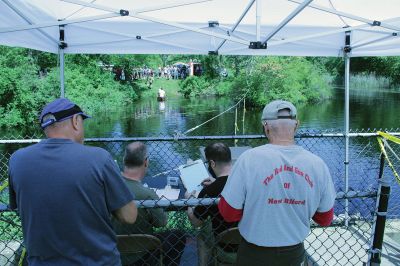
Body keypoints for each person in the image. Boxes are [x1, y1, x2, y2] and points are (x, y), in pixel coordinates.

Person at [8, 98, 137, 266]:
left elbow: (23, 207)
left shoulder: (17, 160)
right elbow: (129, 216)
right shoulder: (99, 158)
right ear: (76, 121)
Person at [218, 100, 336, 266]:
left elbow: (229, 212)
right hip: (293, 254)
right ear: (296, 125)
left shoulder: (248, 159)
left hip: (253, 255)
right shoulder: (317, 165)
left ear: (265, 126)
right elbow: (325, 218)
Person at [112, 142, 186, 266]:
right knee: (177, 236)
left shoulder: (109, 186)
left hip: (112, 251)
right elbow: (161, 222)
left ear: (124, 160)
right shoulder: (147, 195)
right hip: (141, 256)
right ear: (146, 162)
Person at [186, 143, 238, 265]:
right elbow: (226, 184)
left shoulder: (210, 191)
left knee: (202, 234)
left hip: (226, 249)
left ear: (212, 163)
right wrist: (216, 181)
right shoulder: (246, 180)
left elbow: (196, 222)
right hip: (249, 245)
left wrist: (190, 202)